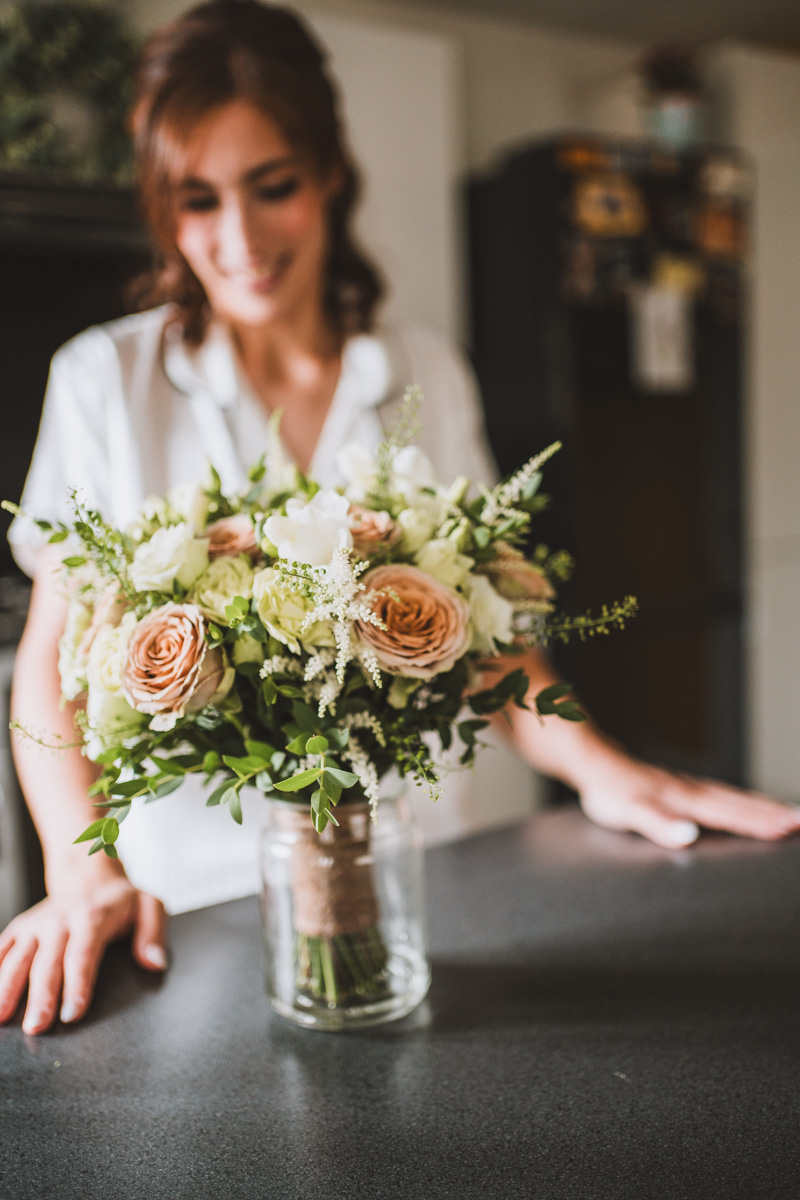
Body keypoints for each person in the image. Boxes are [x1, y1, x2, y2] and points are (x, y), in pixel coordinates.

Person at [2, 0, 797, 1038]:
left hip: (437, 880)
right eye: (197, 200)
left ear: (331, 172)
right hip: (207, 912)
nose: (237, 238)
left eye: (271, 186)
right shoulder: (107, 380)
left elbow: (486, 631)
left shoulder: (421, 367)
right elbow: (54, 661)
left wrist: (607, 770)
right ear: (163, 210)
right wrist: (82, 870)